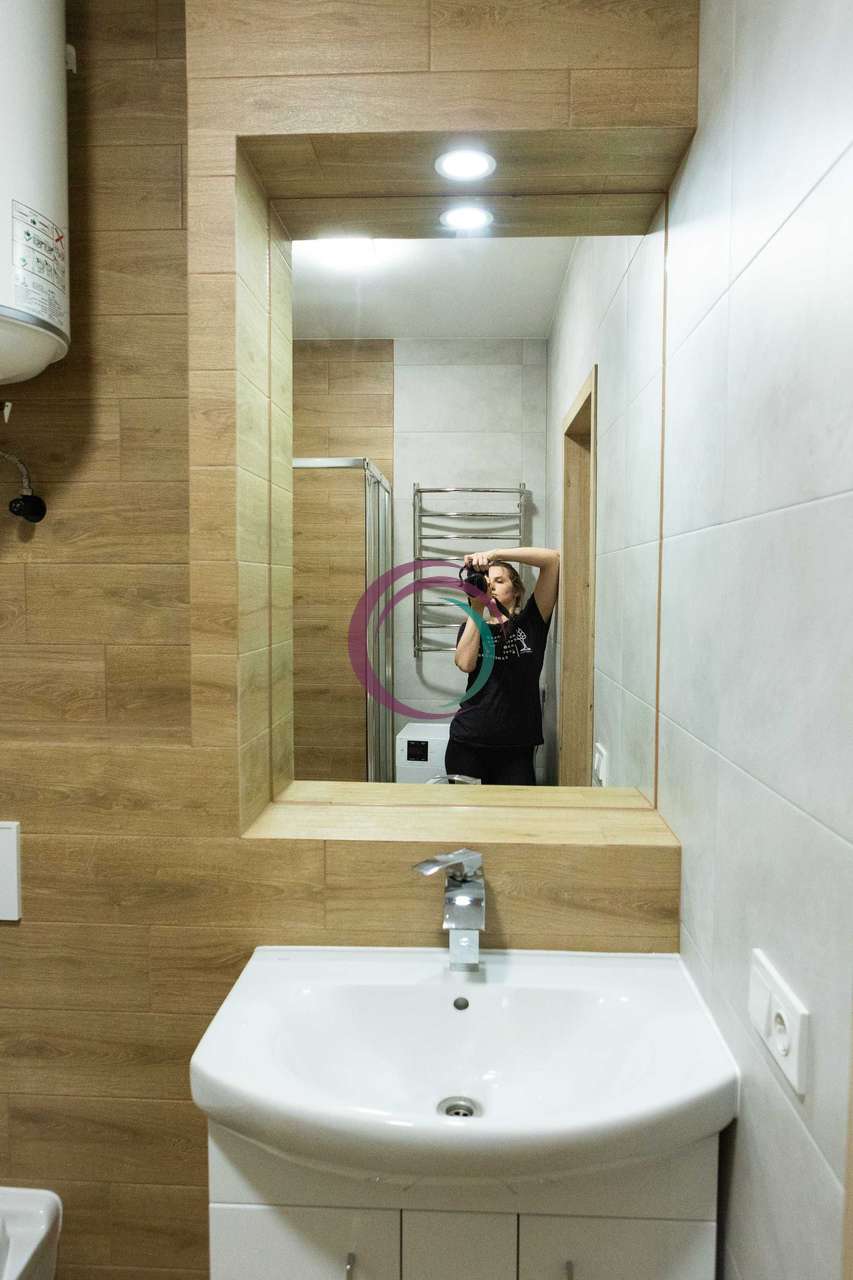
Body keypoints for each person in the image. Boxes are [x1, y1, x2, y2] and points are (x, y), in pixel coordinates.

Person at [445, 546, 560, 785]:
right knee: (465, 810)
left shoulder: (531, 622)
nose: (492, 586)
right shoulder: (473, 626)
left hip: (516, 748)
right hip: (468, 743)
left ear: (516, 590)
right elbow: (465, 664)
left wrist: (494, 555)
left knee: (516, 809)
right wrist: (477, 608)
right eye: (488, 582)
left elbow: (552, 560)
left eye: (499, 580)